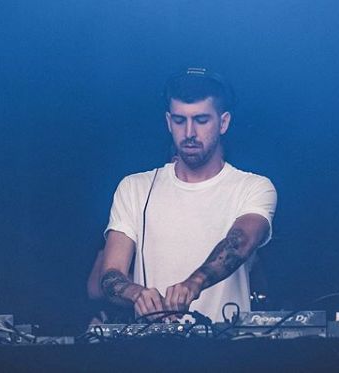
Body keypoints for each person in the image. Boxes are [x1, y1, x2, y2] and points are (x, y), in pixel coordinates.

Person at [99, 68, 277, 322]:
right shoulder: (134, 187)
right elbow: (109, 275)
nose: (189, 132)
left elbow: (241, 242)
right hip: (152, 343)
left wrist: (193, 284)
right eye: (180, 121)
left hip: (229, 343)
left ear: (223, 123)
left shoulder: (253, 187)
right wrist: (136, 294)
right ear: (168, 122)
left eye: (201, 120)